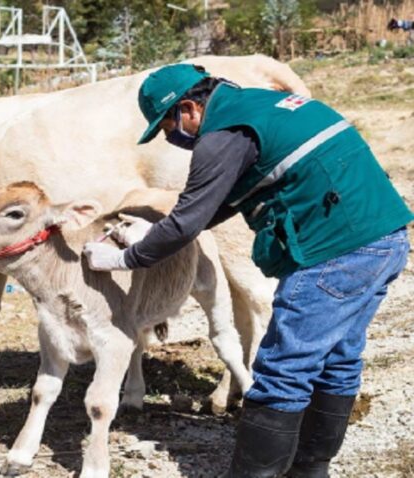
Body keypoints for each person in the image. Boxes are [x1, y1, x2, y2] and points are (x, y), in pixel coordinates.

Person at [82, 64, 412, 477]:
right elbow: (216, 203)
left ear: (188, 108)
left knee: (281, 370)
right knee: (338, 359)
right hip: (384, 239)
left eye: (167, 126)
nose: (170, 138)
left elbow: (187, 222)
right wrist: (156, 229)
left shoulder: (222, 136)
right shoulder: (266, 106)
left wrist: (123, 259)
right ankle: (311, 469)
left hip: (337, 253)